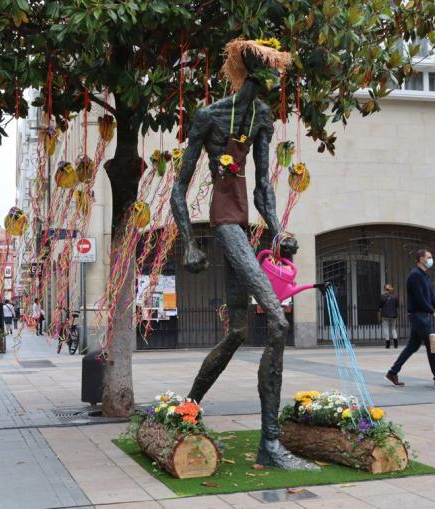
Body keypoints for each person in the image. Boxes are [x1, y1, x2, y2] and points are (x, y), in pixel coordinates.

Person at [170, 39, 316, 470]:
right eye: (269, 71)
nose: (275, 80)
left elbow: (264, 186)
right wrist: (190, 242)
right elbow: (179, 187)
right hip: (224, 225)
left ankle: (187, 409)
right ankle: (269, 444)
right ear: (252, 72)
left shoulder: (261, 117)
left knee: (236, 331)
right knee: (275, 320)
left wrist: (276, 230)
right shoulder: (209, 116)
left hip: (244, 226)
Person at [385, 249, 435, 389]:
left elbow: (431, 296)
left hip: (421, 315)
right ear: (421, 259)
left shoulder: (425, 276)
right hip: (417, 315)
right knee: (431, 345)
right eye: (429, 257)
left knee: (413, 345)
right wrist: (433, 313)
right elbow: (419, 298)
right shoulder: (415, 276)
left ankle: (393, 372)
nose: (431, 259)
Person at [378, 284, 399, 349]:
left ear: (384, 289)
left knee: (386, 328)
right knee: (393, 328)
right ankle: (396, 344)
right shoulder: (395, 296)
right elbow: (397, 306)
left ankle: (388, 344)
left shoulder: (382, 296)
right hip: (393, 315)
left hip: (385, 315)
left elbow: (380, 306)